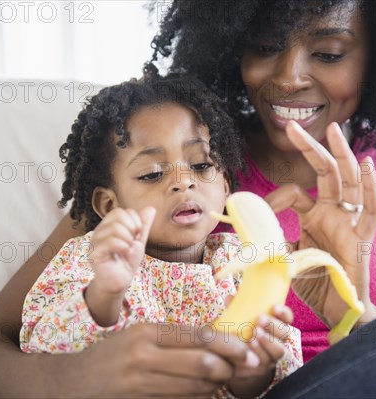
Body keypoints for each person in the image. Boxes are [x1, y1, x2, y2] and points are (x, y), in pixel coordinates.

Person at [0, 1, 376, 398]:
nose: (288, 77)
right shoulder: (176, 167)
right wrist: (75, 377)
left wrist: (353, 304)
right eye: (266, 45)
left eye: (328, 52)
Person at [19, 75, 303, 398]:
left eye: (200, 165)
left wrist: (251, 372)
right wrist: (104, 295)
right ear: (109, 205)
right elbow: (45, 346)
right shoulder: (95, 258)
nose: (183, 182)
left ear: (225, 185)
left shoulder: (243, 262)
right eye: (153, 173)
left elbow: (280, 376)